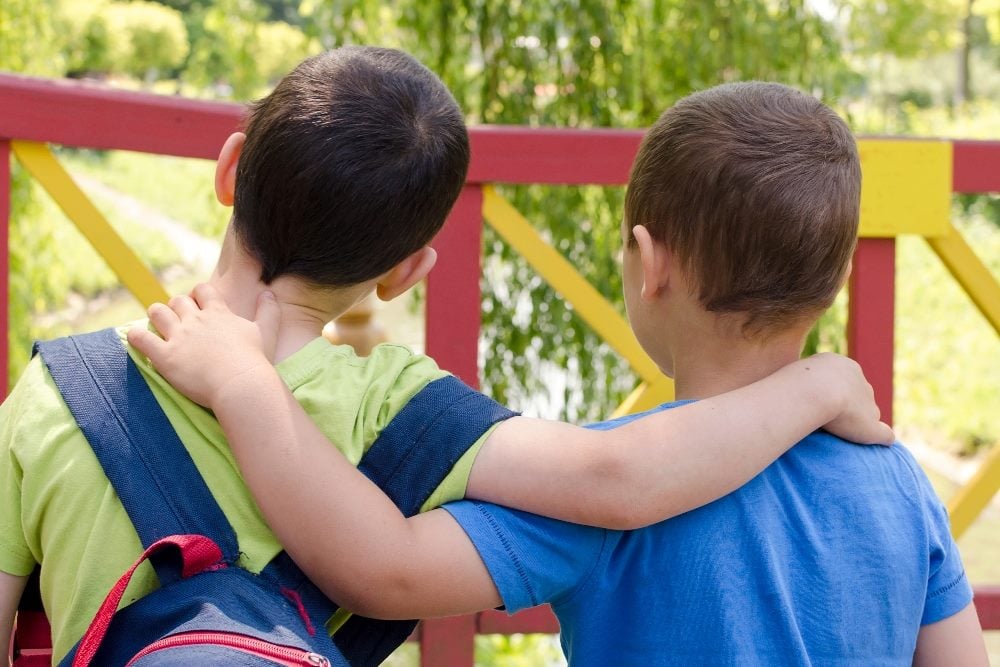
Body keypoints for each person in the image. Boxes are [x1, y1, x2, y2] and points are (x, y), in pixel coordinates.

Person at [0, 48, 888, 663]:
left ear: (231, 170)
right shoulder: (404, 404)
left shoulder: (51, 393)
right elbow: (620, 476)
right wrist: (818, 382)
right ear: (405, 272)